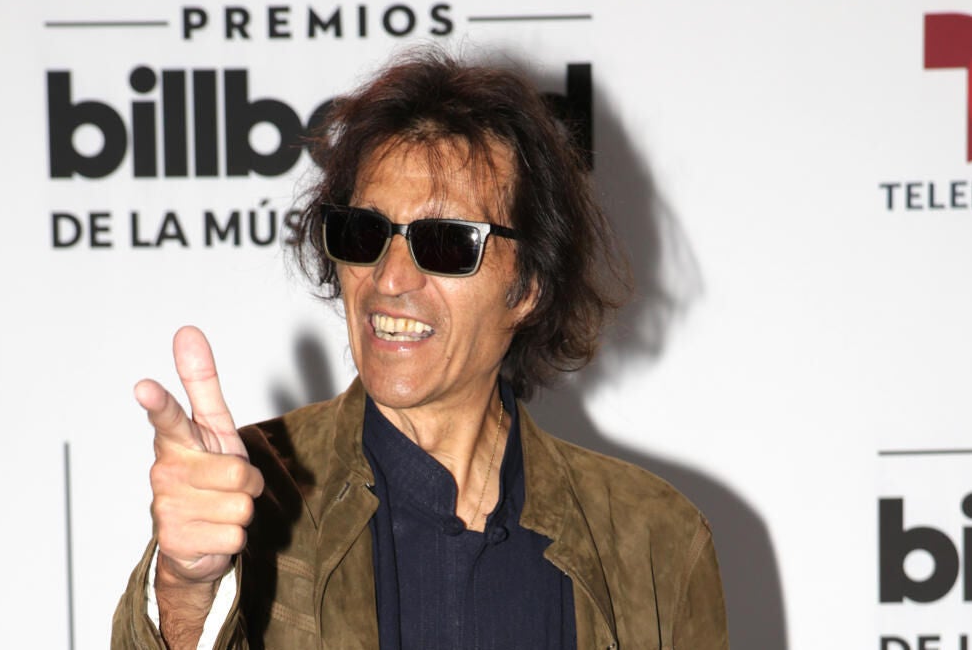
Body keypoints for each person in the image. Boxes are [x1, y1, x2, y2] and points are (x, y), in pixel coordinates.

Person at [112, 50, 728, 649]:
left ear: (528, 288)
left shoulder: (655, 540)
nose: (389, 279)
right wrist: (186, 590)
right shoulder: (251, 494)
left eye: (446, 243)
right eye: (365, 233)